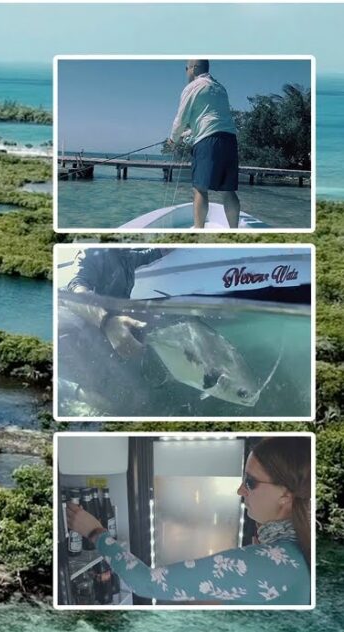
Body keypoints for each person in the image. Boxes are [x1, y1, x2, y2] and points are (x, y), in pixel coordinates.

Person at [67, 437, 311, 604]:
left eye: (250, 483)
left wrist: (95, 532)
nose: (239, 491)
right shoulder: (293, 550)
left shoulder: (268, 563)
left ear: (286, 495)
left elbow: (146, 583)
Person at [57, 248, 166, 415]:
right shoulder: (93, 253)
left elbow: (153, 253)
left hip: (105, 339)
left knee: (132, 400)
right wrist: (107, 322)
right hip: (77, 336)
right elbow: (75, 289)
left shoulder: (128, 256)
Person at [165, 60, 241, 229]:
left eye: (186, 68)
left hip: (208, 142)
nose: (186, 72)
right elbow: (210, 118)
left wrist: (173, 139)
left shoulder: (193, 87)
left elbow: (181, 118)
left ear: (193, 68)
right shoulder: (220, 88)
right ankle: (234, 231)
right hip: (229, 140)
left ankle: (199, 231)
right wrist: (188, 133)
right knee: (228, 190)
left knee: (200, 189)